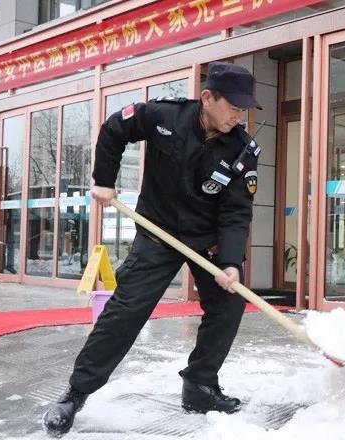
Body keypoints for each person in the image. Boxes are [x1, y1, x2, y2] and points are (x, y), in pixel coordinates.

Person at [43, 61, 263, 437]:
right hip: (157, 231)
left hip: (206, 241)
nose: (238, 116)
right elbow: (115, 129)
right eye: (233, 107)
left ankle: (200, 386)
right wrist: (103, 180)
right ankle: (76, 393)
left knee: (228, 304)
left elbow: (236, 213)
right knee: (126, 311)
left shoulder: (242, 151)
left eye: (244, 109)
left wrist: (230, 263)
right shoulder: (165, 116)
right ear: (208, 97)